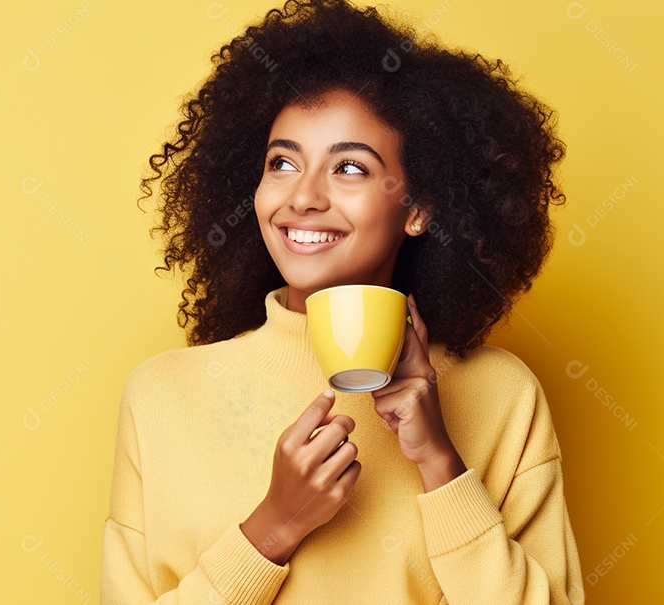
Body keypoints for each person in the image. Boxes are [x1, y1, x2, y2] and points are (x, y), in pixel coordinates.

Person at [100, 0, 584, 602]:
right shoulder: (162, 395)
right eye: (282, 163)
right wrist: (273, 528)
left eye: (349, 168)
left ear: (418, 207)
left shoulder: (502, 395)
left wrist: (440, 464)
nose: (303, 197)